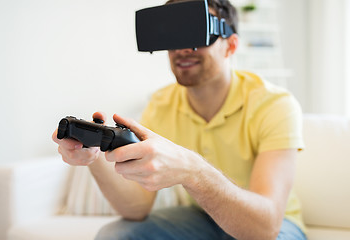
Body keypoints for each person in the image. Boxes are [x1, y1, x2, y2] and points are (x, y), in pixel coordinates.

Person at [52, 0, 307, 239]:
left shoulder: (274, 104)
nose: (183, 49)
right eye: (174, 35)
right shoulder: (161, 105)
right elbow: (136, 208)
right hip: (201, 216)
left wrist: (194, 171)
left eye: (196, 34)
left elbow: (263, 228)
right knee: (116, 235)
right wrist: (93, 154)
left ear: (230, 45)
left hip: (272, 226)